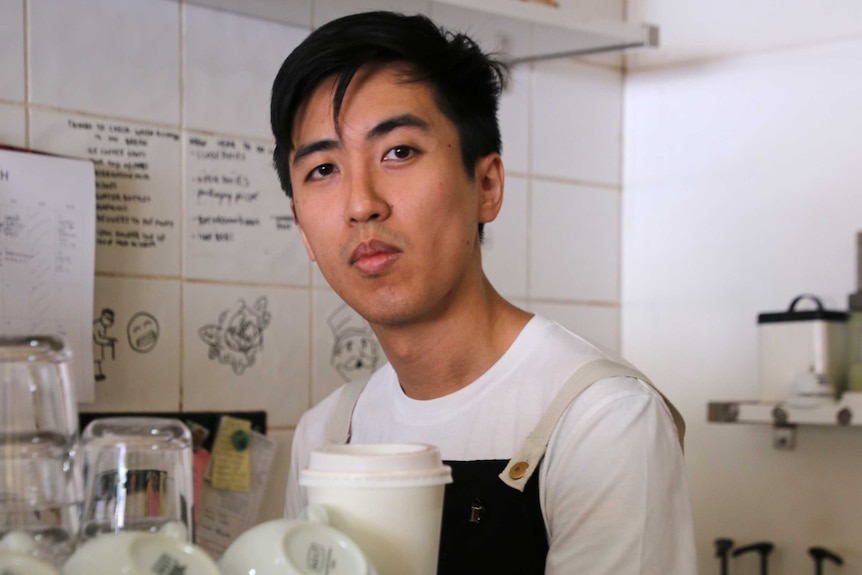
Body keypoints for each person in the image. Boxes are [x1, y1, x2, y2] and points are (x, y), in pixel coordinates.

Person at [271, 10, 696, 574]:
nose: (360, 203)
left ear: (487, 185)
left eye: (398, 152)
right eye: (323, 168)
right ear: (302, 228)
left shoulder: (602, 420)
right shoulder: (327, 434)